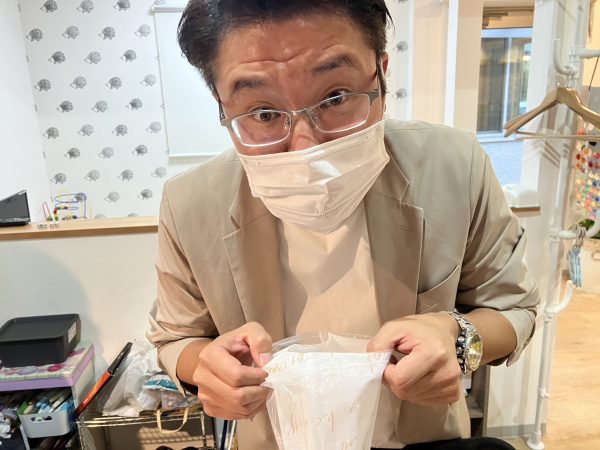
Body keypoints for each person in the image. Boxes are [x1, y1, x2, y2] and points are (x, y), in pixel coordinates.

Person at [147, 1, 540, 449]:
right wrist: (205, 366)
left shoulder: (453, 167)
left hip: (423, 440)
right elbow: (175, 337)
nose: (305, 147)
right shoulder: (191, 203)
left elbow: (514, 308)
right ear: (222, 106)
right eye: (263, 113)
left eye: (335, 97)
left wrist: (456, 337)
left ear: (381, 76)